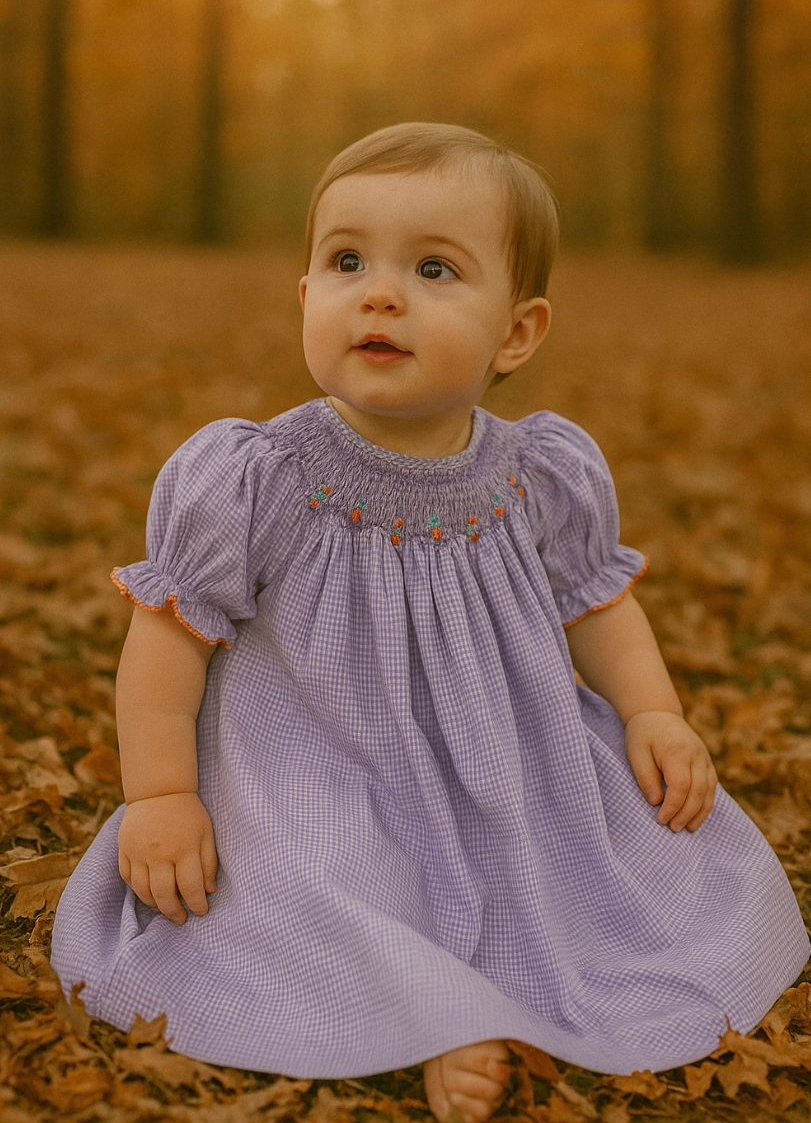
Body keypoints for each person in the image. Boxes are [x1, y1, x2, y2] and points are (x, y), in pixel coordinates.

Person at [52, 122, 809, 1123]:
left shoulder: (539, 472)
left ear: (517, 333)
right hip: (316, 762)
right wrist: (160, 794)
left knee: (614, 867)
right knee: (314, 878)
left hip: (504, 757)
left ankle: (501, 986)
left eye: (435, 269)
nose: (379, 292)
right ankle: (430, 1017)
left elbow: (597, 603)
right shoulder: (257, 477)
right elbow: (168, 640)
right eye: (346, 260)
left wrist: (651, 712)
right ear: (306, 298)